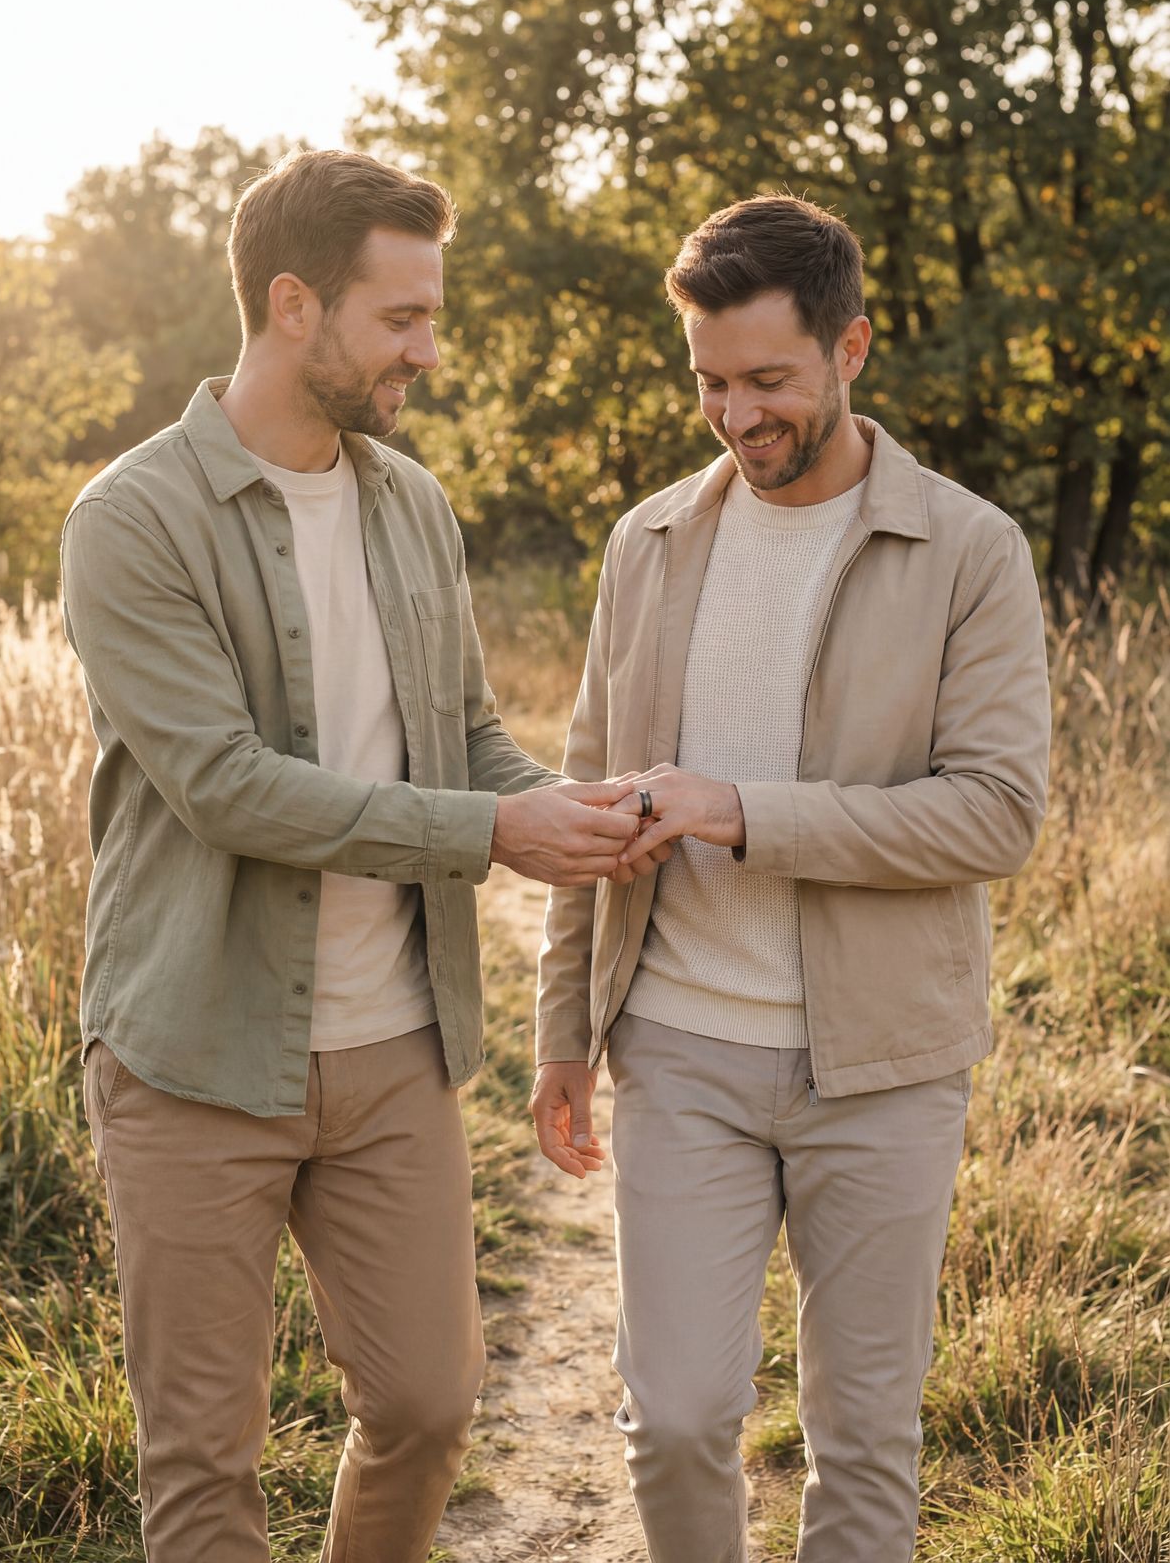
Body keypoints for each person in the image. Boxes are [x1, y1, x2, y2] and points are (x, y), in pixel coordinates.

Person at [60, 148, 639, 1563]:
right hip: (194, 1054)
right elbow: (228, 789)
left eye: (431, 317)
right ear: (293, 305)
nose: (427, 353)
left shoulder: (409, 505)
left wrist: (577, 807)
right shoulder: (131, 519)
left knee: (432, 1404)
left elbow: (460, 733)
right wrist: (489, 833)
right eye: (401, 319)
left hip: (393, 1049)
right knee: (203, 1461)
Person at [530, 192, 1051, 1562]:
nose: (735, 413)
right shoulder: (644, 545)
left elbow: (993, 816)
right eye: (709, 381)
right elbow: (584, 796)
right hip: (676, 1047)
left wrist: (737, 811)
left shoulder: (968, 551)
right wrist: (561, 1036)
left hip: (879, 1066)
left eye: (767, 379)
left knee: (864, 1440)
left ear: (849, 350)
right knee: (681, 1417)